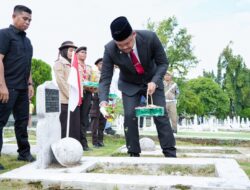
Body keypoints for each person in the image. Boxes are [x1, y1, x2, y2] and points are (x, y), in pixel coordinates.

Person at [99, 16, 176, 157]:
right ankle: (133, 152)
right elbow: (105, 78)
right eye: (120, 45)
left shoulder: (150, 37)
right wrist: (103, 101)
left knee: (160, 114)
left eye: (127, 43)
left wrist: (154, 80)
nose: (125, 48)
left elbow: (163, 63)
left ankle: (170, 152)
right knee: (129, 116)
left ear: (133, 34)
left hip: (152, 80)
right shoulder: (109, 49)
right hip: (129, 84)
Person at [0, 5, 35, 165]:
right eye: (24, 19)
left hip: (22, 89)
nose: (27, 22)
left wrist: (30, 84)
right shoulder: (4, 35)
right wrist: (2, 86)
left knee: (22, 122)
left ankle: (24, 153)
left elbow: (27, 65)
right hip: (7, 88)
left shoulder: (27, 42)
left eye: (30, 20)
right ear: (14, 16)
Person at [53, 41, 83, 146]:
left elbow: (79, 83)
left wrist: (78, 96)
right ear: (64, 51)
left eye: (74, 50)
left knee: (74, 126)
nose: (73, 52)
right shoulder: (59, 63)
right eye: (70, 50)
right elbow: (61, 81)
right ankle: (63, 148)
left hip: (74, 101)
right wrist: (71, 96)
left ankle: (74, 147)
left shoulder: (75, 65)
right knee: (65, 126)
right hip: (64, 100)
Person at [76, 46, 93, 151]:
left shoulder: (89, 68)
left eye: (86, 52)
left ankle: (84, 143)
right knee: (75, 118)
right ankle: (78, 142)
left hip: (87, 94)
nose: (84, 54)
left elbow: (92, 81)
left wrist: (93, 87)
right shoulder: (74, 66)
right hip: (77, 93)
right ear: (77, 54)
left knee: (84, 119)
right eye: (82, 52)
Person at [89, 58, 106, 147]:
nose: (102, 65)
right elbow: (90, 85)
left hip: (106, 98)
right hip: (96, 97)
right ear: (97, 65)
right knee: (95, 120)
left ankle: (100, 140)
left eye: (104, 63)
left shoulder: (107, 74)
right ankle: (95, 141)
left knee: (103, 120)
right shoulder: (94, 74)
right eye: (100, 64)